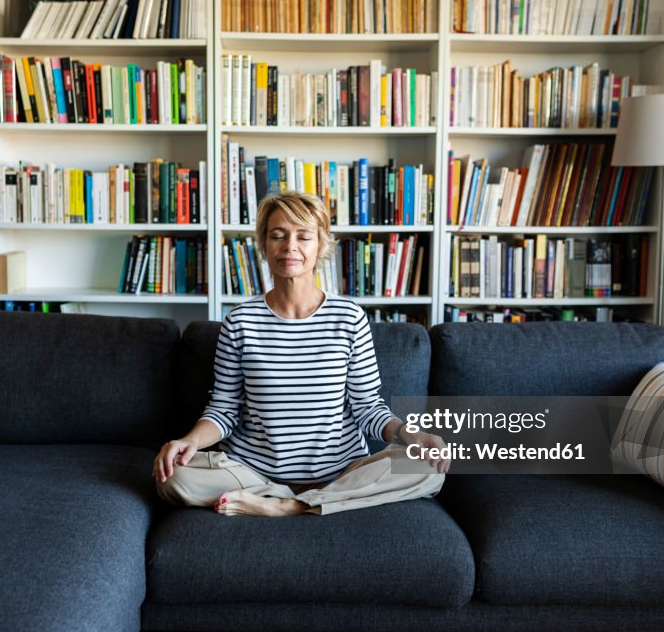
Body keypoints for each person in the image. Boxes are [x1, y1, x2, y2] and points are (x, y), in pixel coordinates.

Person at [153, 191, 448, 516]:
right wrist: (190, 441)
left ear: (320, 246)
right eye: (277, 235)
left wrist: (411, 435)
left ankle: (288, 506)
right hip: (253, 473)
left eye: (303, 236)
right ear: (263, 246)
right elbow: (224, 409)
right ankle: (302, 501)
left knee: (428, 469)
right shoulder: (240, 321)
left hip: (340, 472)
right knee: (173, 477)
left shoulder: (349, 317)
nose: (289, 246)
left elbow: (367, 409)